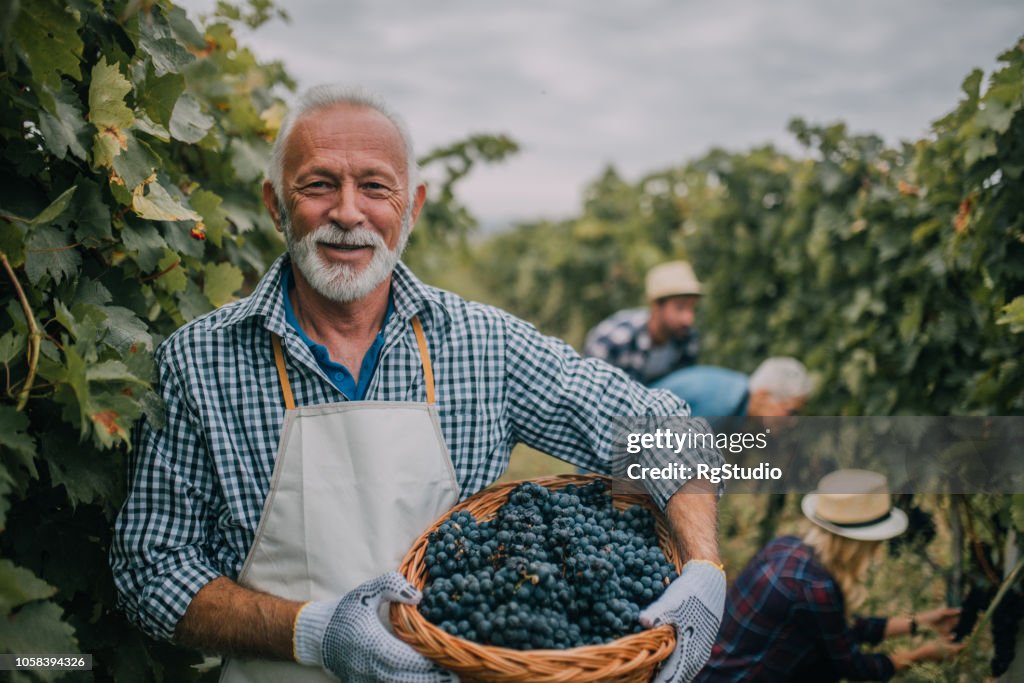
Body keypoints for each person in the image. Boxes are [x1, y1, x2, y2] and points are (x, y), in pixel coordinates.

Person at [109, 85, 728, 683]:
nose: (348, 213)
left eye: (375, 187)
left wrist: (705, 568)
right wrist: (314, 633)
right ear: (275, 204)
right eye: (319, 185)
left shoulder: (486, 345)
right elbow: (152, 572)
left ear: (413, 207)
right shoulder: (198, 362)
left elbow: (662, 425)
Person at [694, 469, 964, 682]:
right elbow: (852, 665)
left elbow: (836, 627)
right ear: (860, 544)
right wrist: (923, 655)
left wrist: (919, 623)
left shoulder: (786, 547)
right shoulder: (815, 586)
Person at [584, 260, 702, 384]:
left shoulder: (687, 339)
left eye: (692, 308)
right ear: (656, 306)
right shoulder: (614, 339)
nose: (688, 319)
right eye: (680, 308)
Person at [651, 357, 812, 419]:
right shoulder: (720, 407)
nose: (793, 422)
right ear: (763, 396)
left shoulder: (739, 395)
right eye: (791, 412)